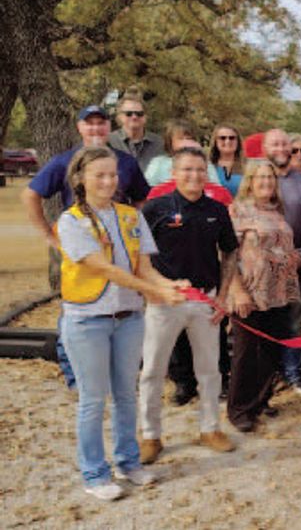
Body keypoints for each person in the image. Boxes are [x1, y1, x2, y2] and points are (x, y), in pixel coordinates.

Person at [56, 146, 185, 500]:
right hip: (86, 322)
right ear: (81, 178)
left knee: (127, 395)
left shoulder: (131, 216)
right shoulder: (70, 221)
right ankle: (95, 474)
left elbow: (143, 268)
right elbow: (105, 269)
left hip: (128, 319)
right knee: (93, 400)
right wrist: (154, 293)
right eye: (100, 175)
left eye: (113, 174)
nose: (109, 181)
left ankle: (128, 463)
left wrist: (168, 285)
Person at [23, 105, 150, 390]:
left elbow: (143, 198)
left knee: (117, 305)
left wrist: (136, 230)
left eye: (101, 124)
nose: (95, 129)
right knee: (76, 309)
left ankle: (112, 373)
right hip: (81, 247)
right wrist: (48, 236)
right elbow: (31, 194)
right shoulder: (65, 162)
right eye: (89, 124)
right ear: (79, 128)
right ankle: (75, 378)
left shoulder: (126, 163)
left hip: (116, 247)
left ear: (109, 127)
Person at [137, 147, 239, 464]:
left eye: (199, 170)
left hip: (205, 301)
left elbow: (230, 253)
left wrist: (222, 296)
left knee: (210, 369)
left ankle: (210, 428)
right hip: (164, 301)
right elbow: (139, 259)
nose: (194, 176)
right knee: (153, 370)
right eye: (187, 170)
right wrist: (153, 289)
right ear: (174, 173)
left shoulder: (217, 210)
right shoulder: (154, 209)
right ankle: (150, 435)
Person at [225, 160, 301, 432]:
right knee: (246, 353)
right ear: (249, 180)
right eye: (260, 178)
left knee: (270, 351)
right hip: (250, 292)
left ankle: (260, 400)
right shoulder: (238, 211)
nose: (266, 182)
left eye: (270, 177)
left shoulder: (277, 211)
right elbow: (227, 254)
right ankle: (239, 410)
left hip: (278, 293)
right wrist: (236, 291)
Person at [263, 128, 301, 393]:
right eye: (274, 143)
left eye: (285, 144)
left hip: (299, 264)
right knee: (267, 322)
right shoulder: (259, 180)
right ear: (265, 148)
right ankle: (267, 376)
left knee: (294, 322)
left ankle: (293, 373)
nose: (281, 149)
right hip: (263, 267)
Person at [143, 120, 222, 186]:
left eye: (188, 138)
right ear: (170, 141)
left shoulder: (205, 163)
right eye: (181, 139)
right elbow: (147, 188)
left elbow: (216, 188)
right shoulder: (159, 163)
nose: (186, 142)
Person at [108, 91, 163, 173]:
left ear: (145, 116)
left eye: (139, 114)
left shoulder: (159, 143)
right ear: (119, 116)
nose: (134, 117)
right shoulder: (109, 142)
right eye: (129, 114)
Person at [209, 124, 245, 196]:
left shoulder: (248, 166)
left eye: (232, 138)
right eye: (222, 138)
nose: (227, 141)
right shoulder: (207, 167)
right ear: (215, 142)